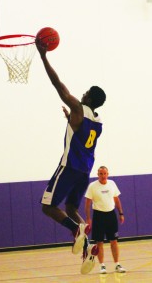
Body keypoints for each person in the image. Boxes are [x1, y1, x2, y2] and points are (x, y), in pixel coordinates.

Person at [35, 39, 106, 258]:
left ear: (89, 98)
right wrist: (70, 119)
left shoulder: (77, 107)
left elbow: (59, 85)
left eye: (86, 93)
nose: (82, 94)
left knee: (47, 207)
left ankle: (76, 230)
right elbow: (82, 132)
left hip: (69, 167)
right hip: (85, 172)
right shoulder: (98, 120)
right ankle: (88, 246)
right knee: (72, 209)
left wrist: (43, 56)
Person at [84, 166, 126, 274]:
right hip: (98, 216)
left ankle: (117, 264)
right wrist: (88, 218)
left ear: (108, 174)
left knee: (114, 241)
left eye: (105, 173)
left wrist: (120, 213)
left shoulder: (112, 184)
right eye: (101, 174)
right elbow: (87, 204)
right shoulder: (92, 186)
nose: (103, 176)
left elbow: (116, 199)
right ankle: (102, 265)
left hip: (111, 215)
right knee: (99, 242)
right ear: (98, 174)